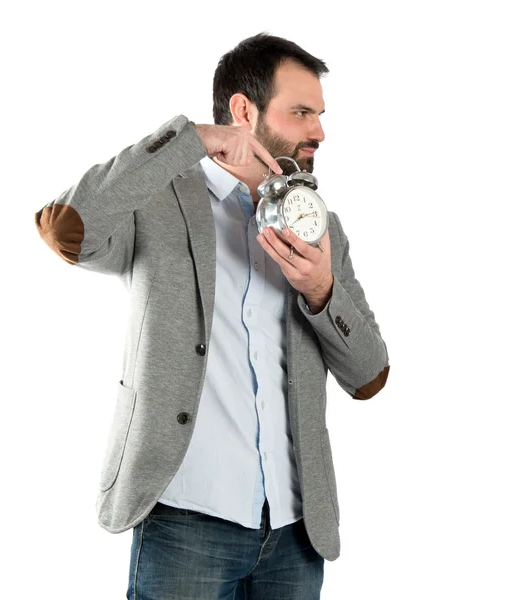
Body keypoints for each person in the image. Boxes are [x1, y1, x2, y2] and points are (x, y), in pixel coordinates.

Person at [35, 32, 390, 600]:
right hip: (186, 522)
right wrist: (190, 140)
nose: (319, 132)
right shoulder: (157, 202)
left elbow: (370, 374)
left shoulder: (321, 227)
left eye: (320, 115)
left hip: (296, 535)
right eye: (302, 113)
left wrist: (321, 290)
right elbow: (64, 227)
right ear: (244, 111)